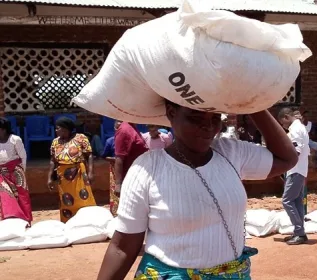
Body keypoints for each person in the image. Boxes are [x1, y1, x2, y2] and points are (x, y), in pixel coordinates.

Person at [97, 100, 298, 280]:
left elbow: (287, 159)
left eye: (215, 117)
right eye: (195, 117)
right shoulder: (148, 168)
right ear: (172, 113)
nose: (208, 127)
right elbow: (123, 247)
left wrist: (252, 103)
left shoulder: (231, 152)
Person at [48, 117, 96, 223]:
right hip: (63, 176)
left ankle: (87, 222)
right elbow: (53, 160)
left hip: (79, 173)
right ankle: (69, 222)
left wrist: (91, 172)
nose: (56, 130)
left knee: (83, 197)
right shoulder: (55, 142)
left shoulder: (80, 138)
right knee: (66, 200)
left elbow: (89, 155)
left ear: (65, 129)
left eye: (58, 128)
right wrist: (50, 178)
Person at [278, 108, 310, 245]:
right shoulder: (300, 127)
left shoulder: (295, 129)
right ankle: (299, 232)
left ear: (286, 117)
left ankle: (299, 232)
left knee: (287, 201)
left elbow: (296, 151)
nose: (283, 126)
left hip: (295, 170)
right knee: (296, 201)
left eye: (282, 123)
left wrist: (282, 163)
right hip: (299, 169)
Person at [0, 118, 32, 223]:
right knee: (6, 196)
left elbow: (23, 156)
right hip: (2, 172)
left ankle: (25, 220)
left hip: (16, 171)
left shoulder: (15, 139)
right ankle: (11, 221)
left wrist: (23, 171)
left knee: (21, 196)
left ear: (3, 129)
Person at [114, 122, 148, 197]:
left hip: (139, 177)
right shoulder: (124, 130)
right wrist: (118, 184)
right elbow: (119, 158)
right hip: (130, 180)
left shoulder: (132, 127)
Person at [102, 120, 122, 216]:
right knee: (116, 190)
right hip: (115, 169)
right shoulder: (110, 141)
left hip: (128, 167)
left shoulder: (128, 140)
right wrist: (116, 159)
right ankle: (115, 213)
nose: (119, 130)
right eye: (117, 127)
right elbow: (104, 156)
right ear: (114, 129)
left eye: (121, 128)